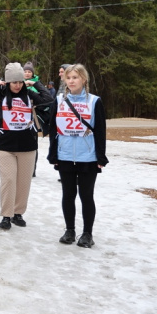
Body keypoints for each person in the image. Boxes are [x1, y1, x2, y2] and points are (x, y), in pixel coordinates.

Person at [0, 63, 53, 230]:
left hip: (27, 145)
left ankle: (18, 213)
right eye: (14, 82)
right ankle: (6, 215)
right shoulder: (0, 95)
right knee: (8, 180)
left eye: (20, 81)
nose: (18, 85)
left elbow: (49, 99)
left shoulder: (30, 95)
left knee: (23, 181)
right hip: (5, 145)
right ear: (7, 82)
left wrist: (35, 84)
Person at [48, 64, 108, 248]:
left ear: (84, 79)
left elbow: (100, 131)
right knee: (68, 194)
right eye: (68, 78)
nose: (71, 81)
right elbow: (52, 128)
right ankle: (70, 230)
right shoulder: (59, 100)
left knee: (86, 195)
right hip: (65, 155)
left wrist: (100, 157)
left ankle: (87, 234)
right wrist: (53, 154)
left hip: (87, 157)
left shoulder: (94, 101)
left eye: (75, 77)